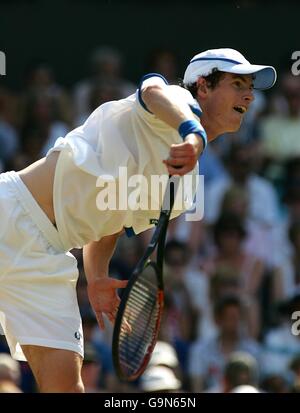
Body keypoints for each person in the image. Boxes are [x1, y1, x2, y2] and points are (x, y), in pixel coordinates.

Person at [0, 48, 276, 392]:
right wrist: (193, 133)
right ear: (203, 86)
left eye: (251, 87)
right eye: (238, 84)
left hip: (48, 260)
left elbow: (111, 225)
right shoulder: (173, 100)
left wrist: (97, 277)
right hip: (9, 211)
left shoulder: (183, 191)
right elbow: (152, 92)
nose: (249, 94)